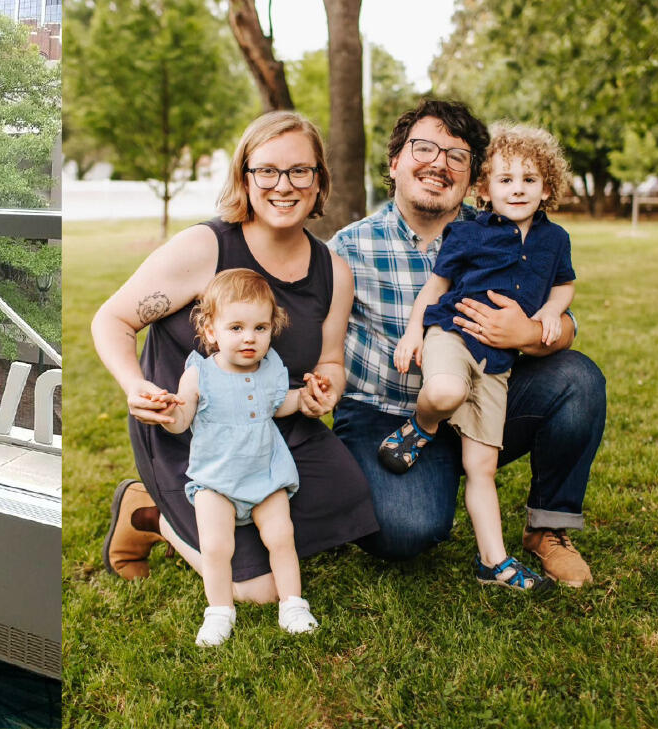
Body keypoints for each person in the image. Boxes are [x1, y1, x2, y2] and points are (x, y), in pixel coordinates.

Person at [94, 111, 378, 606]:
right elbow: (112, 320)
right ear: (245, 178)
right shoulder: (206, 247)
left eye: (299, 171)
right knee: (258, 590)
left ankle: (246, 524)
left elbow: (331, 361)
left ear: (318, 180)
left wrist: (324, 389)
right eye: (266, 171)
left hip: (274, 428)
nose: (283, 185)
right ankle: (150, 514)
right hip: (191, 435)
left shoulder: (334, 271)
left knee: (351, 499)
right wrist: (134, 385)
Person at [328, 99, 604, 587]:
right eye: (424, 148)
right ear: (395, 162)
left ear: (472, 176)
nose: (439, 164)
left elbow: (565, 319)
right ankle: (421, 465)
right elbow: (314, 338)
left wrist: (529, 331)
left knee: (578, 379)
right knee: (405, 531)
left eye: (456, 155)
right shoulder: (349, 248)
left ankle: (547, 529)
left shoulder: (504, 232)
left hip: (482, 384)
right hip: (384, 414)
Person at [380, 122, 578, 592]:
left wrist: (550, 312)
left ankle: (494, 562)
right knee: (446, 390)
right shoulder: (468, 233)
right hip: (452, 334)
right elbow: (436, 286)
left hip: (497, 364)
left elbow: (564, 284)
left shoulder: (555, 240)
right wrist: (413, 333)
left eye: (529, 179)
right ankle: (421, 427)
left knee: (482, 467)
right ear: (485, 188)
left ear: (547, 188)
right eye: (506, 179)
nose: (518, 189)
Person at [155, 268, 318, 644]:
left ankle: (293, 605)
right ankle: (219, 612)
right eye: (236, 328)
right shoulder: (199, 373)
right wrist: (169, 413)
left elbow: (277, 405)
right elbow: (182, 419)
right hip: (216, 479)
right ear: (211, 330)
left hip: (265, 474)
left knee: (281, 537)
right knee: (216, 547)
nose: (249, 337)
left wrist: (304, 399)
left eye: (260, 328)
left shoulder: (271, 367)